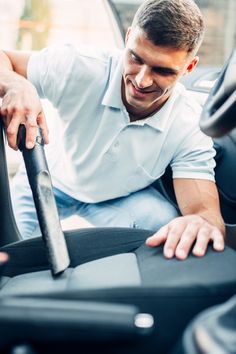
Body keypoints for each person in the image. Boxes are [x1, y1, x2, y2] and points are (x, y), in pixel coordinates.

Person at [0, 0, 225, 260]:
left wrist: (202, 222)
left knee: (168, 225)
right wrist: (16, 84)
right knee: (10, 254)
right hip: (48, 180)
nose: (141, 80)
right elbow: (4, 59)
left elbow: (204, 213)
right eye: (136, 58)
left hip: (117, 199)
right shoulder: (78, 66)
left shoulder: (189, 124)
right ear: (128, 37)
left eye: (162, 70)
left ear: (189, 68)